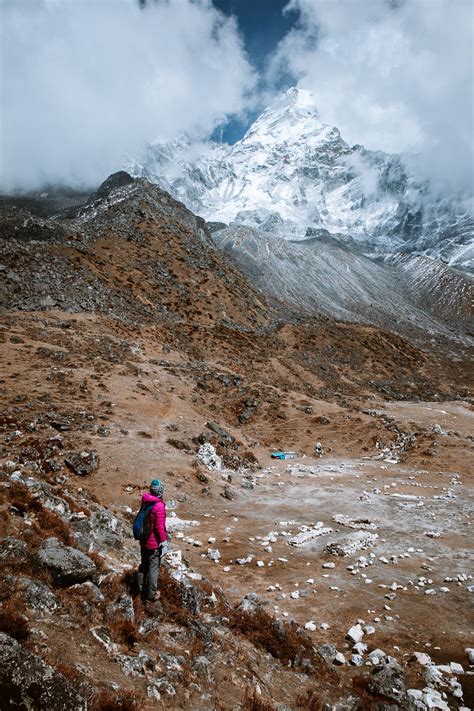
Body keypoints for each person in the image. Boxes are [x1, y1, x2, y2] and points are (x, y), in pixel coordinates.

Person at [137, 478, 168, 602]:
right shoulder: (159, 506)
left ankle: (139, 590)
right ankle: (151, 595)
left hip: (143, 540)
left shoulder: (146, 501)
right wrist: (164, 542)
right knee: (153, 568)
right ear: (160, 491)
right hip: (153, 543)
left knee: (143, 565)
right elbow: (159, 527)